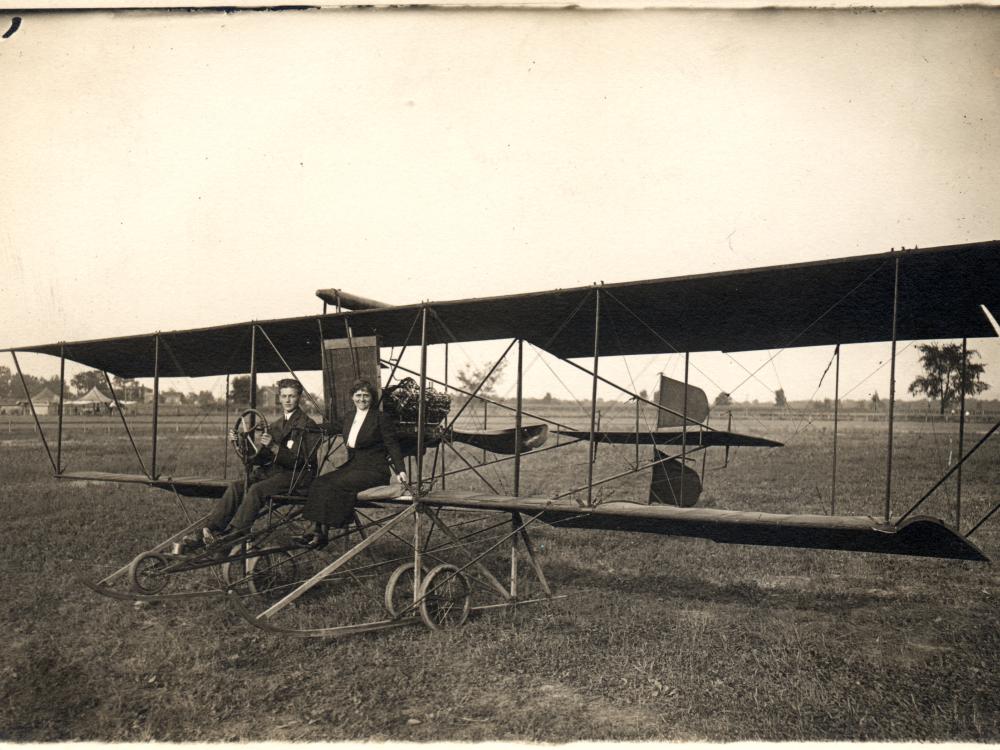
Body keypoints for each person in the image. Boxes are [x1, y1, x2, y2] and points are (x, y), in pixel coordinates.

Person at [189, 378, 319, 546]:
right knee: (237, 486)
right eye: (284, 396)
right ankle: (211, 529)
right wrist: (241, 442)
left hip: (297, 477)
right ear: (279, 398)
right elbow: (261, 457)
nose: (287, 400)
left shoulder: (308, 425)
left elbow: (301, 461)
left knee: (257, 489)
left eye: (292, 396)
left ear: (299, 397)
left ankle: (237, 532)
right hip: (275, 473)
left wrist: (273, 446)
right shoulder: (276, 425)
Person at [294, 379, 408, 548]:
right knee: (320, 482)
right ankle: (317, 531)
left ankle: (318, 533)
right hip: (354, 467)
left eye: (366, 396)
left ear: (372, 398)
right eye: (358, 395)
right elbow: (332, 427)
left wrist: (401, 471)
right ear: (352, 397)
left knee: (336, 484)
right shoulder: (350, 417)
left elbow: (392, 444)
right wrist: (307, 427)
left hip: (374, 470)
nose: (361, 399)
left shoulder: (380, 418)